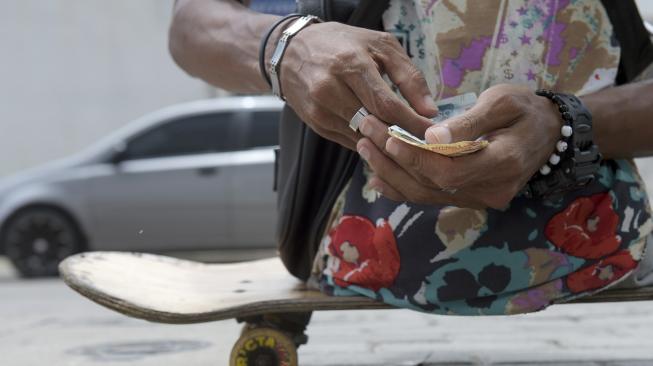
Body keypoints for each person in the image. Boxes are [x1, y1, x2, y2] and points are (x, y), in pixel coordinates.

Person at [169, 0, 653, 315]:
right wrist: (288, 47)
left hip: (599, 242)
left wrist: (562, 124)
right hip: (343, 240)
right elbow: (192, 25)